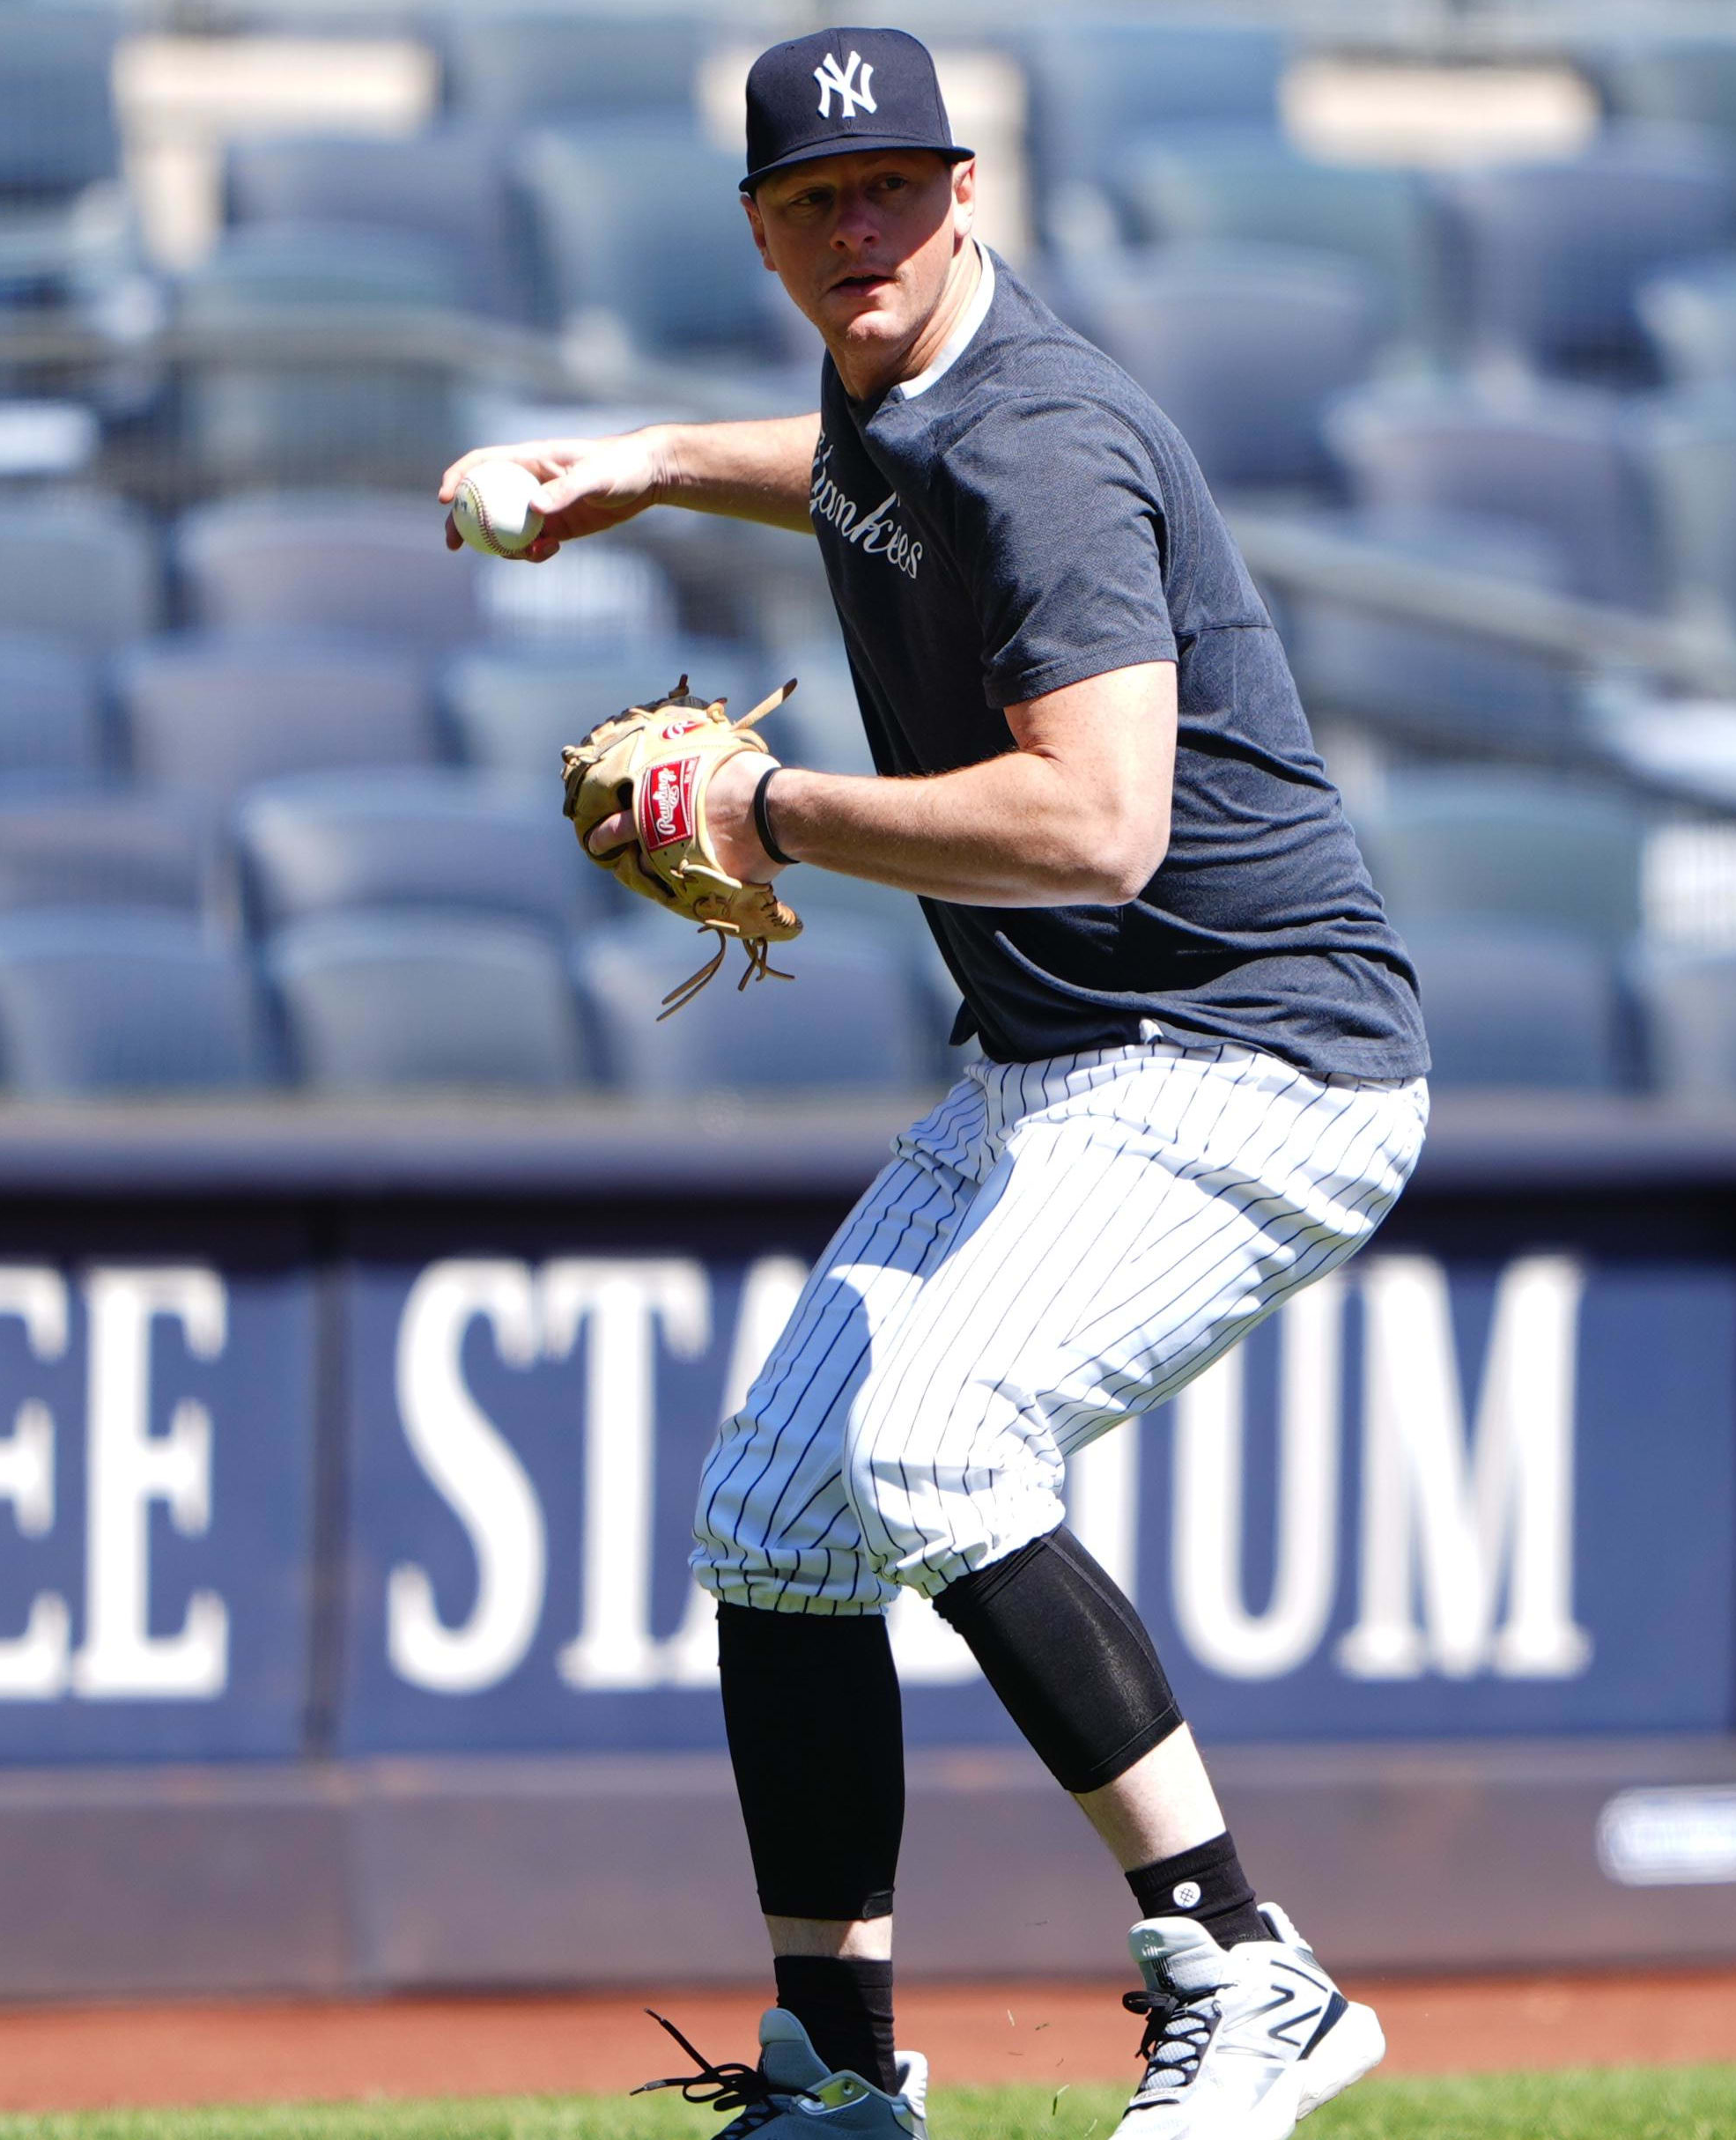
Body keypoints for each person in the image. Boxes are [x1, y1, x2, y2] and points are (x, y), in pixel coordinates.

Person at [439, 24, 1428, 2140]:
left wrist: (769, 806)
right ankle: (834, 2074)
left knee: (940, 1426)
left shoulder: (1039, 436)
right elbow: (848, 477)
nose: (859, 226)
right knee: (778, 1517)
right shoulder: (896, 385)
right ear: (764, 236)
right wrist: (627, 462)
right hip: (1066, 1060)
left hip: (1255, 1055)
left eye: (895, 186)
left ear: (968, 191)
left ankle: (1243, 1965)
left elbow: (1097, 832)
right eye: (815, 202)